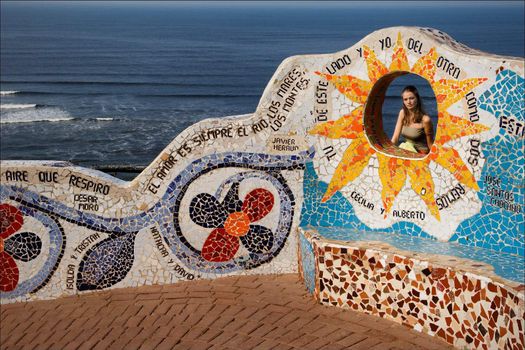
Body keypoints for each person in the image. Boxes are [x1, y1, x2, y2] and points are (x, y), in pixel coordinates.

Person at [391, 85, 433, 154]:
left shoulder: (425, 120)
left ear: (417, 99)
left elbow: (430, 144)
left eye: (411, 98)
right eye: (405, 99)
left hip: (420, 154)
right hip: (407, 150)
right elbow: (395, 137)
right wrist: (389, 150)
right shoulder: (402, 113)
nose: (408, 102)